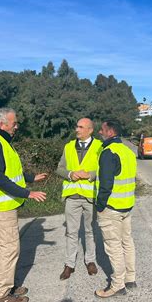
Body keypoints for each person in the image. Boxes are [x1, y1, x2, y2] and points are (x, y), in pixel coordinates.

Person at [0, 107, 47, 302]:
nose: (17, 126)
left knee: (9, 248)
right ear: (1, 124)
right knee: (9, 249)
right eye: (14, 123)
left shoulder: (0, 140)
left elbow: (10, 171)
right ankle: (0, 295)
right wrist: (28, 193)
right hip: (0, 205)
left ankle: (6, 286)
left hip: (5, 203)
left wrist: (31, 178)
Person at [94, 120, 137, 299]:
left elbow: (106, 184)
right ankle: (130, 278)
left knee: (114, 246)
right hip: (127, 206)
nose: (99, 132)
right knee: (127, 241)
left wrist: (100, 205)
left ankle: (117, 285)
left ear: (110, 132)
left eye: (102, 130)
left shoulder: (108, 152)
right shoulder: (127, 151)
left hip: (111, 207)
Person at [56, 118, 102, 280]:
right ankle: (69, 264)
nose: (77, 129)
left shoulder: (99, 147)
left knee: (90, 231)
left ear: (90, 130)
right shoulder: (68, 147)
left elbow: (104, 169)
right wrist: (69, 174)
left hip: (90, 196)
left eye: (81, 127)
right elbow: (59, 168)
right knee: (71, 232)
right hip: (72, 197)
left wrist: (90, 175)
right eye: (77, 126)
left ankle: (90, 261)